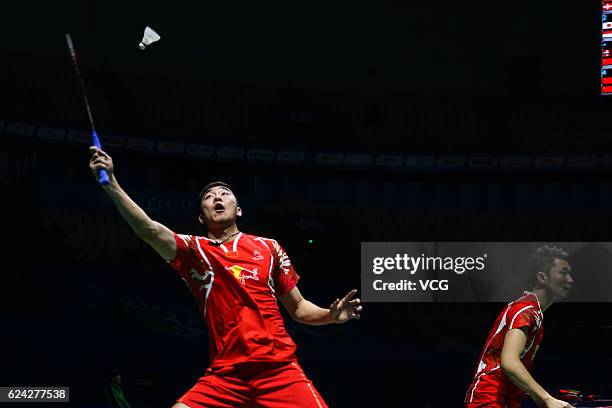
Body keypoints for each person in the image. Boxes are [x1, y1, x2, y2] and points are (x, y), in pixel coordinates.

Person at [89, 147, 362, 408]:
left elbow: (299, 308)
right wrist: (110, 182)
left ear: (239, 210)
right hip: (225, 375)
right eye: (209, 197)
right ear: (201, 217)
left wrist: (331, 315)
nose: (217, 198)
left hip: (278, 369)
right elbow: (148, 230)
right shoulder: (193, 251)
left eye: (224, 193)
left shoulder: (268, 247)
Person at [465, 245, 575, 408]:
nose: (570, 279)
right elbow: (509, 361)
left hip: (505, 401)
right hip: (489, 400)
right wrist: (546, 399)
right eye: (563, 272)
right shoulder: (524, 310)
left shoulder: (534, 312)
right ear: (542, 277)